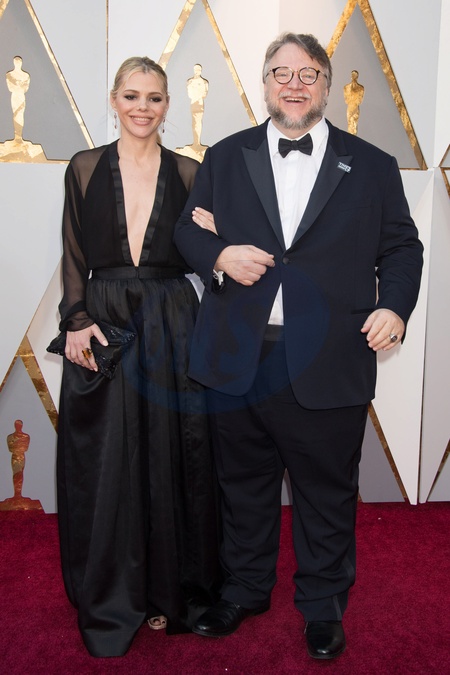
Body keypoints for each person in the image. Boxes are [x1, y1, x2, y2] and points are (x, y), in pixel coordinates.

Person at [174, 33, 423, 660]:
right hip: (239, 354)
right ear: (264, 82)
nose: (294, 84)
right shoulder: (224, 156)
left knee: (326, 492)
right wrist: (220, 255)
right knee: (242, 484)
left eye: (308, 73)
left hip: (329, 356)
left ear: (326, 85)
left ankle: (322, 606)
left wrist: (393, 306)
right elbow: (185, 231)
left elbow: (402, 246)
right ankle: (245, 590)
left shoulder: (373, 165)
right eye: (281, 72)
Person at [56, 56, 220, 658]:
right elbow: (73, 251)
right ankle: (112, 591)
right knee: (107, 457)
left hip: (171, 320)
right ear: (113, 99)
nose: (142, 108)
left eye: (153, 98)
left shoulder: (190, 170)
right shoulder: (84, 167)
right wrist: (75, 320)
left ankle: (166, 591)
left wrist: (215, 235)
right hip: (103, 317)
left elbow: (207, 254)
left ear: (168, 104)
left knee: (169, 454)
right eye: (131, 96)